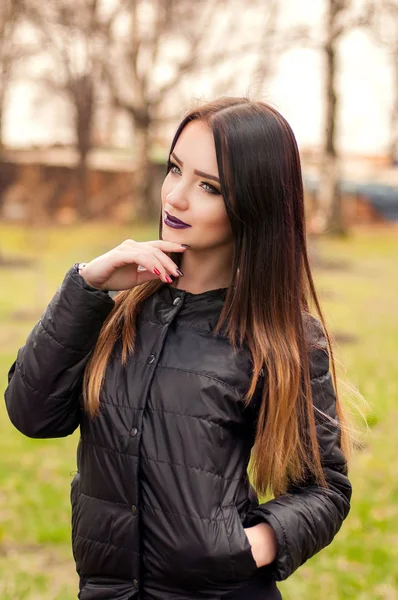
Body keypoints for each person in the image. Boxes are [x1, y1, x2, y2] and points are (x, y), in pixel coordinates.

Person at [4, 96, 353, 600]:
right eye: (174, 169)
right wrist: (88, 287)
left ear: (252, 204)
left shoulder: (279, 336)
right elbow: (31, 414)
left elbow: (325, 491)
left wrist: (242, 546)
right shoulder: (114, 305)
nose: (176, 197)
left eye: (208, 186)